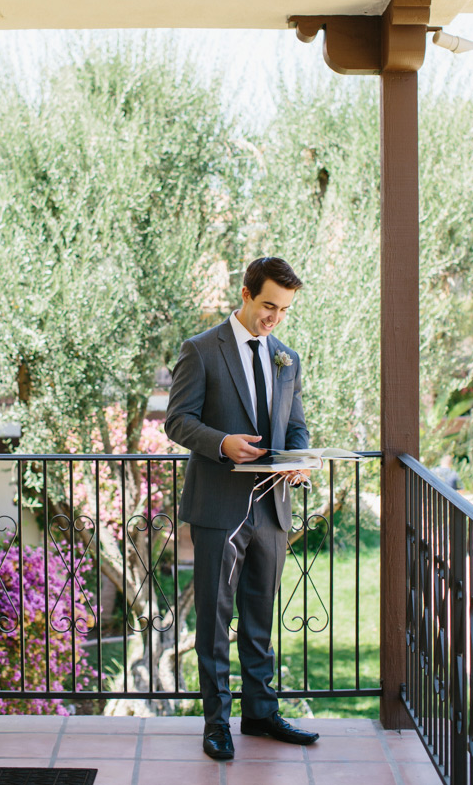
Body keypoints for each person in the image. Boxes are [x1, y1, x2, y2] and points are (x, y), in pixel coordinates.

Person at [165, 256, 319, 760]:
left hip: (272, 508)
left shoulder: (286, 358)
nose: (274, 317)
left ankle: (259, 711)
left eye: (284, 310)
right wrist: (223, 442)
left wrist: (299, 458)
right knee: (213, 619)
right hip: (218, 509)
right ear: (247, 294)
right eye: (269, 305)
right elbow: (178, 421)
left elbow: (295, 426)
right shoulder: (201, 350)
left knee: (259, 617)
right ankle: (216, 723)